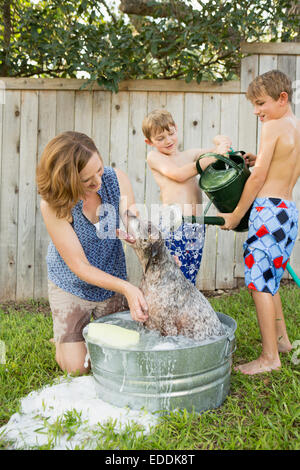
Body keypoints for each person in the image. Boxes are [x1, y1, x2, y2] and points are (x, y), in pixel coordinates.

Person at [36, 131, 148, 375]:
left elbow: (134, 224)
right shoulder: (53, 204)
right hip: (73, 285)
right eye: (87, 180)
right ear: (67, 180)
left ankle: (78, 338)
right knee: (78, 369)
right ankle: (64, 341)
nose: (98, 181)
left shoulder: (115, 179)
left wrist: (157, 253)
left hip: (111, 280)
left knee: (124, 358)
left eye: (99, 169)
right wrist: (128, 288)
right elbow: (80, 266)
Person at [218, 70, 300, 375]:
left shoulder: (273, 126)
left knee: (259, 284)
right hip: (288, 211)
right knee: (272, 279)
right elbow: (282, 163)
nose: (257, 111)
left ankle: (269, 359)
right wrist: (260, 157)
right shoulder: (295, 126)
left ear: (282, 98)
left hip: (267, 210)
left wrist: (237, 214)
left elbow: (260, 177)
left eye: (261, 103)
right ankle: (281, 343)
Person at [142, 109, 231, 285]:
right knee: (172, 274)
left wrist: (221, 143)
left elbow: (215, 150)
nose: (168, 140)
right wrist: (209, 159)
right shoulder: (154, 157)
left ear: (176, 128)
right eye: (160, 138)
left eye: (171, 133)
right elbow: (178, 174)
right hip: (174, 224)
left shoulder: (189, 155)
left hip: (196, 223)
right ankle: (163, 309)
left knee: (189, 274)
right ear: (149, 141)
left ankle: (184, 309)